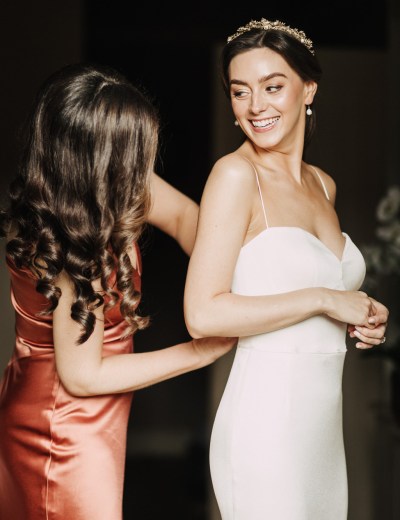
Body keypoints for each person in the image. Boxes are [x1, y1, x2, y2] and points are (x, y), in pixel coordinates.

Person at [0, 62, 236, 520]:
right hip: (60, 425)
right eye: (134, 150)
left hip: (94, 410)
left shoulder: (116, 183)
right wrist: (201, 351)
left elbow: (188, 218)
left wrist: (228, 285)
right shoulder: (70, 246)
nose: (144, 163)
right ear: (97, 158)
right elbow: (82, 377)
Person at [183, 18, 389, 519]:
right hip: (264, 429)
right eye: (240, 92)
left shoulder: (323, 185)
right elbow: (203, 315)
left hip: (321, 433)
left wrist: (360, 312)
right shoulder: (235, 176)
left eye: (273, 87)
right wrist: (324, 298)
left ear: (308, 89)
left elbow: (319, 287)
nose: (256, 106)